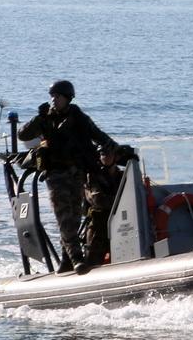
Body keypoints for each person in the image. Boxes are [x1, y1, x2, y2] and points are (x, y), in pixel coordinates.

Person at [18, 80, 116, 274]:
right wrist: (38, 118)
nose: (54, 100)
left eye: (57, 96)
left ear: (67, 98)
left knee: (74, 217)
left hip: (77, 174)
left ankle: (66, 260)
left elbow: (98, 135)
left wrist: (115, 149)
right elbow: (23, 135)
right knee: (65, 218)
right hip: (56, 175)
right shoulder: (46, 118)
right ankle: (76, 258)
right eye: (52, 96)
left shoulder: (78, 117)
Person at [82, 144, 136, 267]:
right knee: (93, 262)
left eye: (108, 154)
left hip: (122, 223)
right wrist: (122, 202)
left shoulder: (123, 176)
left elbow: (134, 195)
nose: (105, 157)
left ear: (116, 157)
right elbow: (98, 200)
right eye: (102, 154)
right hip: (99, 225)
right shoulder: (92, 176)